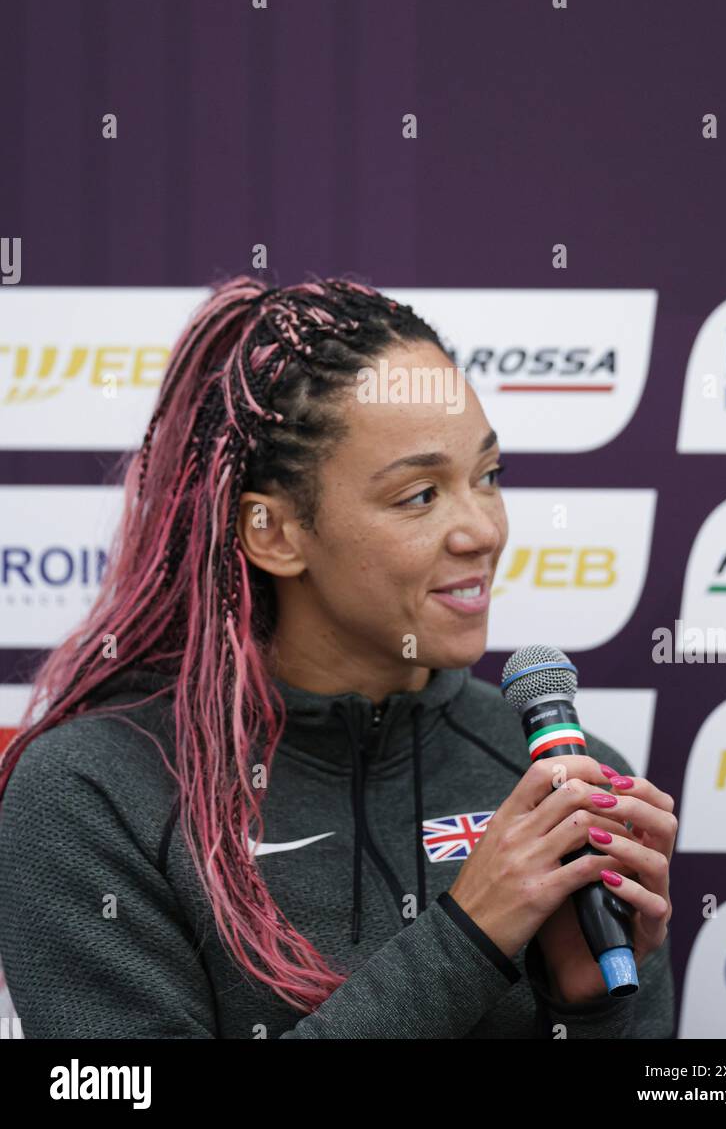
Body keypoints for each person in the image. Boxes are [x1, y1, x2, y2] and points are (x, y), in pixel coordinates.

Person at [0, 274, 676, 1039]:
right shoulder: (94, 792)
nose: (482, 530)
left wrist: (587, 1011)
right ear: (275, 533)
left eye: (488, 477)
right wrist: (468, 937)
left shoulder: (559, 778)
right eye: (419, 495)